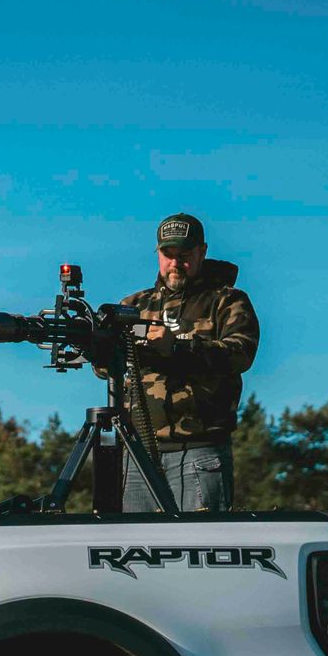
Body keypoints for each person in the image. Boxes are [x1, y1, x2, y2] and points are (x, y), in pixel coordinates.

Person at [113, 213, 260, 512]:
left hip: (200, 450)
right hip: (137, 453)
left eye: (185, 255)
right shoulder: (133, 306)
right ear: (157, 253)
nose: (175, 264)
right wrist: (100, 347)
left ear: (202, 252)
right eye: (168, 255)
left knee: (201, 548)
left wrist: (176, 348)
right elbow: (105, 369)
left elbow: (241, 352)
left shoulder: (227, 300)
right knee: (132, 549)